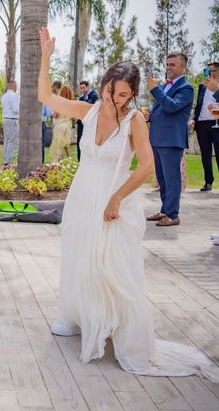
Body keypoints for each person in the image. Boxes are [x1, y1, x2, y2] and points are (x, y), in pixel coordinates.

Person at [38, 27, 219, 382]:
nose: (115, 99)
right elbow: (45, 95)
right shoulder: (87, 111)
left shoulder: (134, 120)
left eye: (124, 94)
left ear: (132, 94)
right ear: (104, 83)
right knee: (80, 253)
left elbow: (148, 167)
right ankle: (78, 316)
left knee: (111, 264)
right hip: (83, 193)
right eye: (111, 91)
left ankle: (114, 326)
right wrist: (46, 55)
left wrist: (118, 197)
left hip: (112, 198)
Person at [146, 53, 195, 227]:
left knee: (171, 178)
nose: (168, 67)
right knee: (162, 178)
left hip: (171, 140)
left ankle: (173, 215)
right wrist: (148, 116)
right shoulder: (165, 86)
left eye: (173, 64)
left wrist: (154, 89)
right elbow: (162, 108)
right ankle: (165, 210)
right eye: (167, 64)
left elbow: (172, 107)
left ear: (183, 67)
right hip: (158, 138)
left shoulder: (186, 88)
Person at [191, 61, 219, 191]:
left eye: (209, 71)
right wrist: (193, 119)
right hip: (202, 124)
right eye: (205, 71)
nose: (206, 74)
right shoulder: (202, 86)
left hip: (216, 124)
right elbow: (198, 105)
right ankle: (208, 182)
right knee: (205, 155)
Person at [48, 86, 74, 162]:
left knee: (58, 146)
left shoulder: (60, 104)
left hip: (59, 126)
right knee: (67, 146)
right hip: (67, 126)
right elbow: (74, 117)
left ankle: (56, 163)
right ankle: (70, 162)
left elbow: (55, 115)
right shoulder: (72, 104)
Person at [76, 80, 99, 161]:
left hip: (90, 123)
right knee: (79, 141)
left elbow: (87, 106)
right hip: (81, 123)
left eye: (83, 88)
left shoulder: (94, 95)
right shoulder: (81, 97)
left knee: (88, 141)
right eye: (80, 88)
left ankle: (88, 159)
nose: (82, 89)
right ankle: (80, 159)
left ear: (88, 87)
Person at [1, 80, 19, 164]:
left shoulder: (4, 96)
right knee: (11, 140)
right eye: (16, 86)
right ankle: (8, 161)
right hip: (11, 119)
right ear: (13, 86)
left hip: (5, 118)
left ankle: (5, 159)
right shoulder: (14, 95)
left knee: (7, 140)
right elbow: (16, 109)